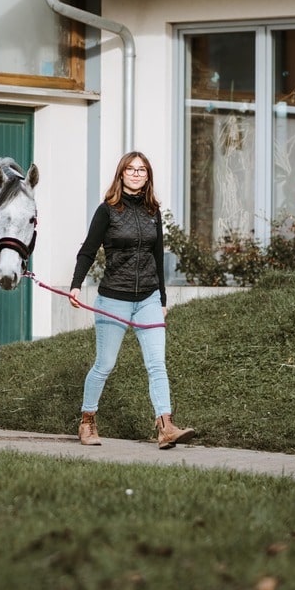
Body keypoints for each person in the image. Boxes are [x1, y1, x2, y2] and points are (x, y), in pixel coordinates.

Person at [68, 152, 196, 449]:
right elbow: (87, 251)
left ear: (148, 176)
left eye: (142, 170)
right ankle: (87, 421)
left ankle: (165, 427)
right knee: (105, 363)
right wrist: (76, 285)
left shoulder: (153, 211)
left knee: (157, 364)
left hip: (148, 297)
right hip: (113, 297)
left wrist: (161, 298)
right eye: (131, 169)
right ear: (121, 174)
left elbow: (157, 256)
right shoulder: (107, 210)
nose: (137, 174)